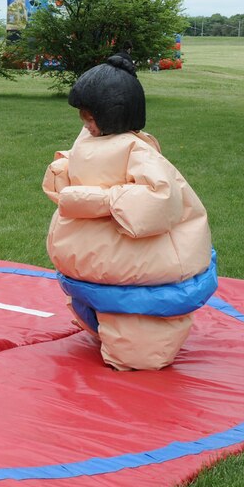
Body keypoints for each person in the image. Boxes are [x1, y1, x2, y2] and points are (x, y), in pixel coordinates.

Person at [43, 55, 217, 371]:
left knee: (138, 349)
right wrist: (63, 170)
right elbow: (86, 163)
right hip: (94, 263)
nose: (85, 123)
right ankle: (106, 325)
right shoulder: (89, 138)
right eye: (82, 115)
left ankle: (137, 340)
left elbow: (160, 198)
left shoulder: (137, 151)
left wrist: (100, 200)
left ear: (113, 113)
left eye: (89, 116)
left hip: (140, 265)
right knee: (98, 306)